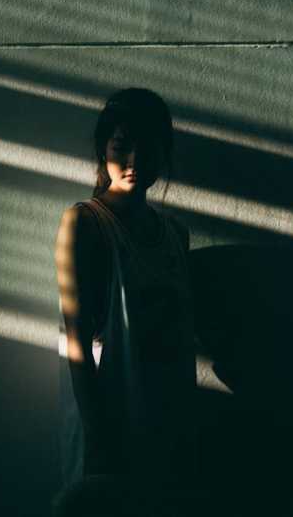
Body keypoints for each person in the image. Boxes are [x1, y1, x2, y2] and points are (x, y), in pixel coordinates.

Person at [52, 88, 208, 517]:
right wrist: (100, 441)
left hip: (171, 437)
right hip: (112, 439)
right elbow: (77, 345)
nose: (135, 160)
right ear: (103, 150)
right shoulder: (85, 223)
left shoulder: (175, 235)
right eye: (122, 146)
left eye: (149, 147)